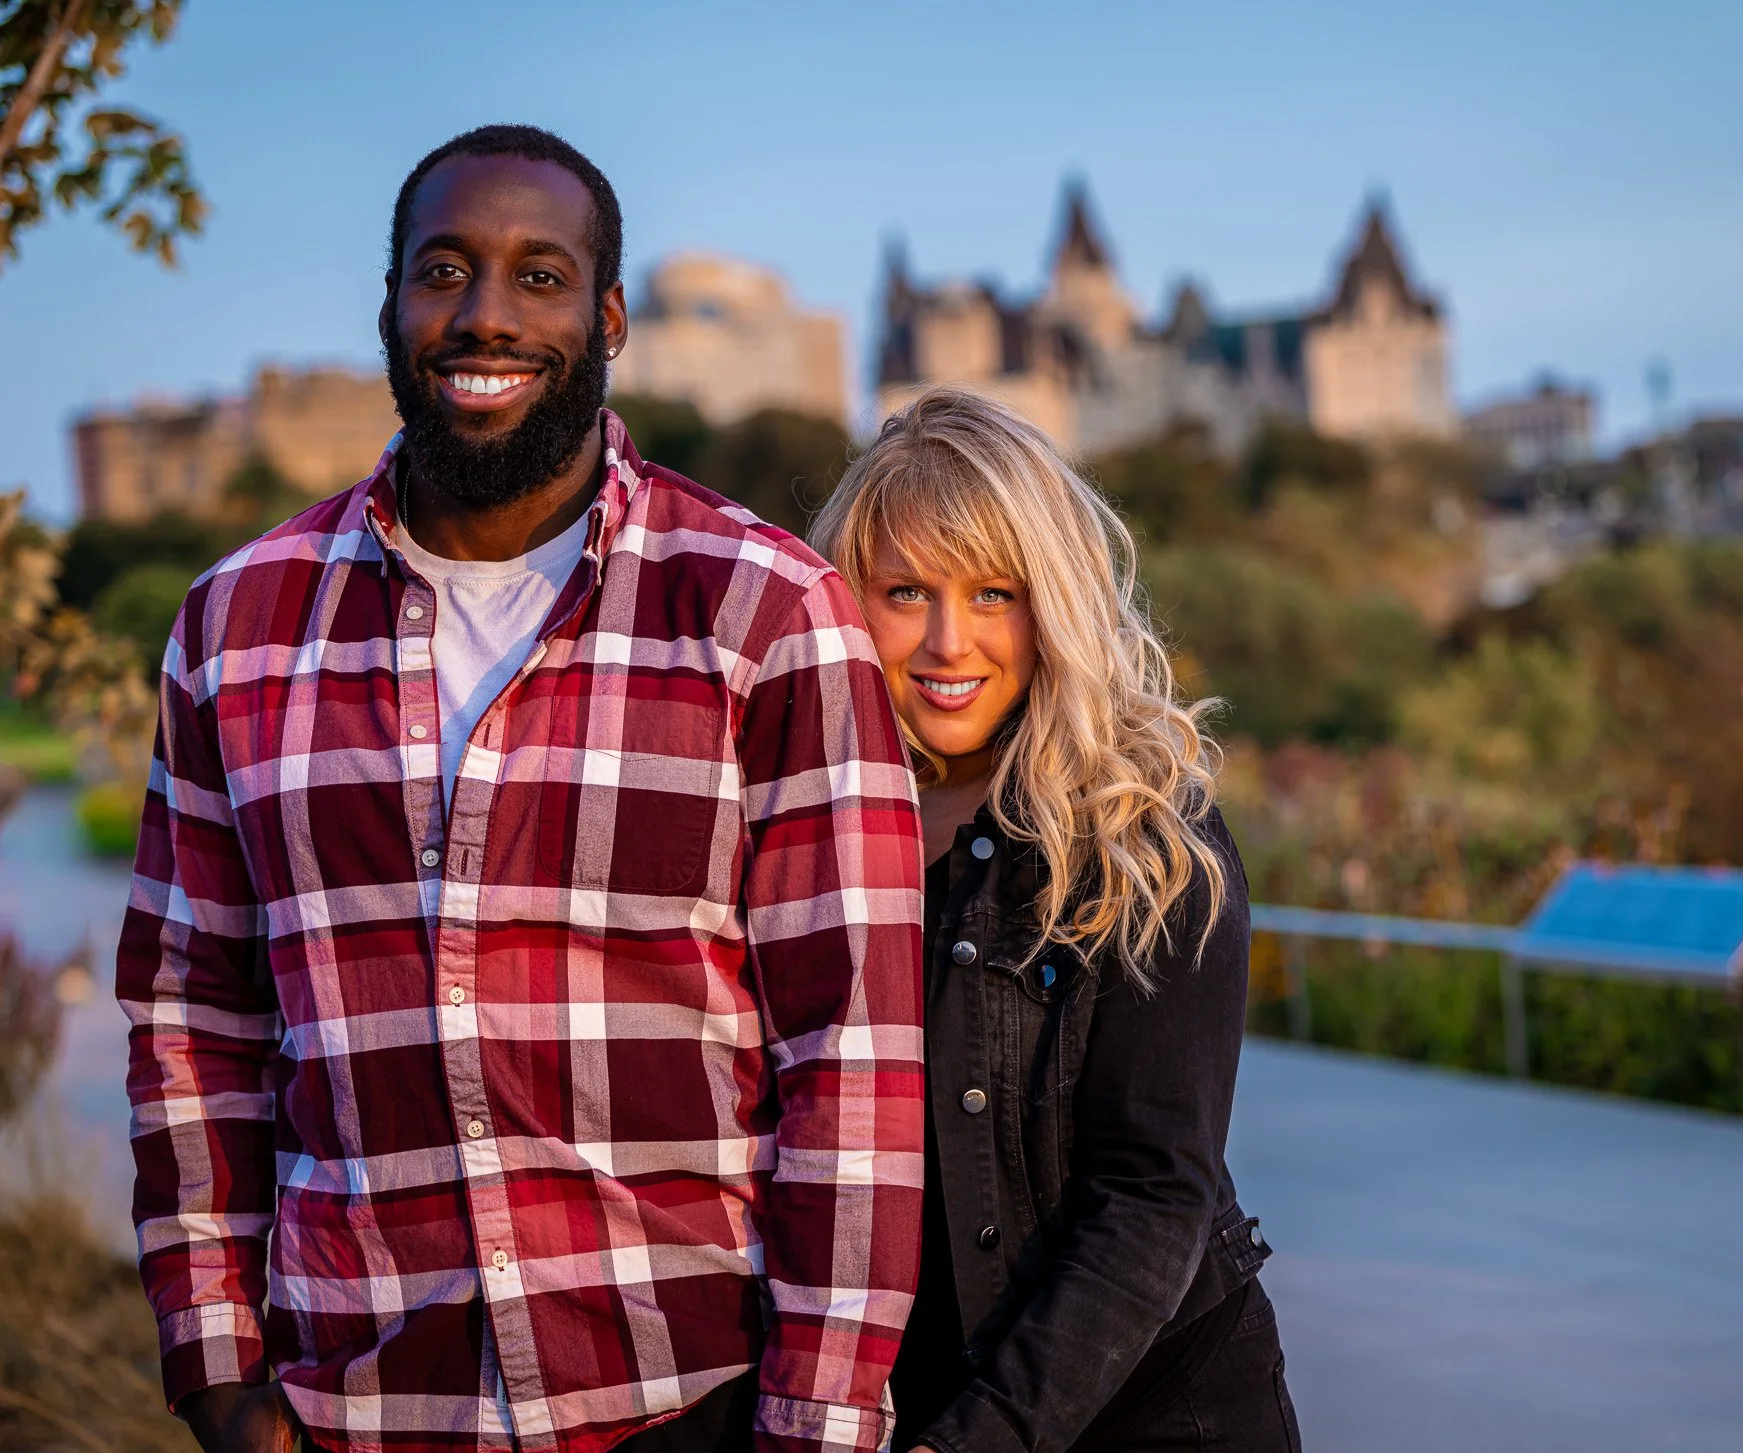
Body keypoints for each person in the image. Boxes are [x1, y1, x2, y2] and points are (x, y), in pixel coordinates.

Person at [117, 124, 925, 1453]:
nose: (484, 312)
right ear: (389, 306)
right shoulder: (238, 627)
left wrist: (819, 1425)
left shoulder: (764, 612)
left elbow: (852, 1056)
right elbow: (192, 1020)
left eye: (538, 276)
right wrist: (217, 1373)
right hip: (356, 1408)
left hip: (688, 1404)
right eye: (443, 270)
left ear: (609, 318)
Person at [810, 388, 1299, 1453]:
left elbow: (1149, 1197)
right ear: (847, 602)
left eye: (995, 592)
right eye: (905, 591)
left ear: (1055, 603)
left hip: (1160, 1414)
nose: (949, 641)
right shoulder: (806, 830)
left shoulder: (1149, 838)